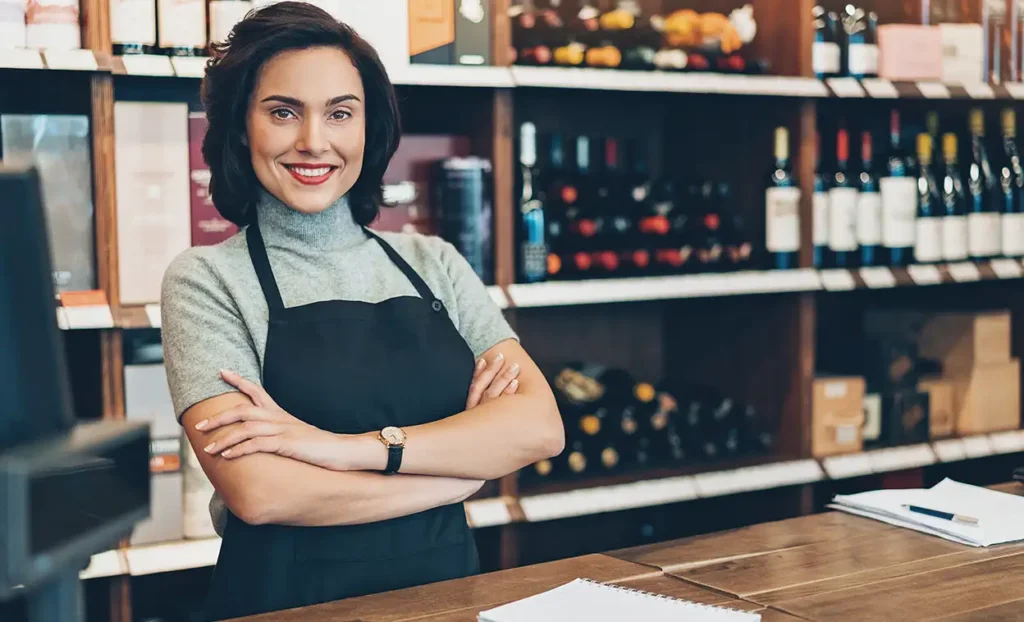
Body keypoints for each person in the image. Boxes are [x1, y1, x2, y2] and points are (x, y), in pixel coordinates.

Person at [159, 3, 565, 619]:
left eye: (340, 113)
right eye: (282, 111)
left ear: (368, 128)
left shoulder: (435, 263)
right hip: (286, 605)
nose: (313, 141)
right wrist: (456, 474)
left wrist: (341, 449)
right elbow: (261, 491)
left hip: (447, 598)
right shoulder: (206, 280)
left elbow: (539, 428)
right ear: (242, 126)